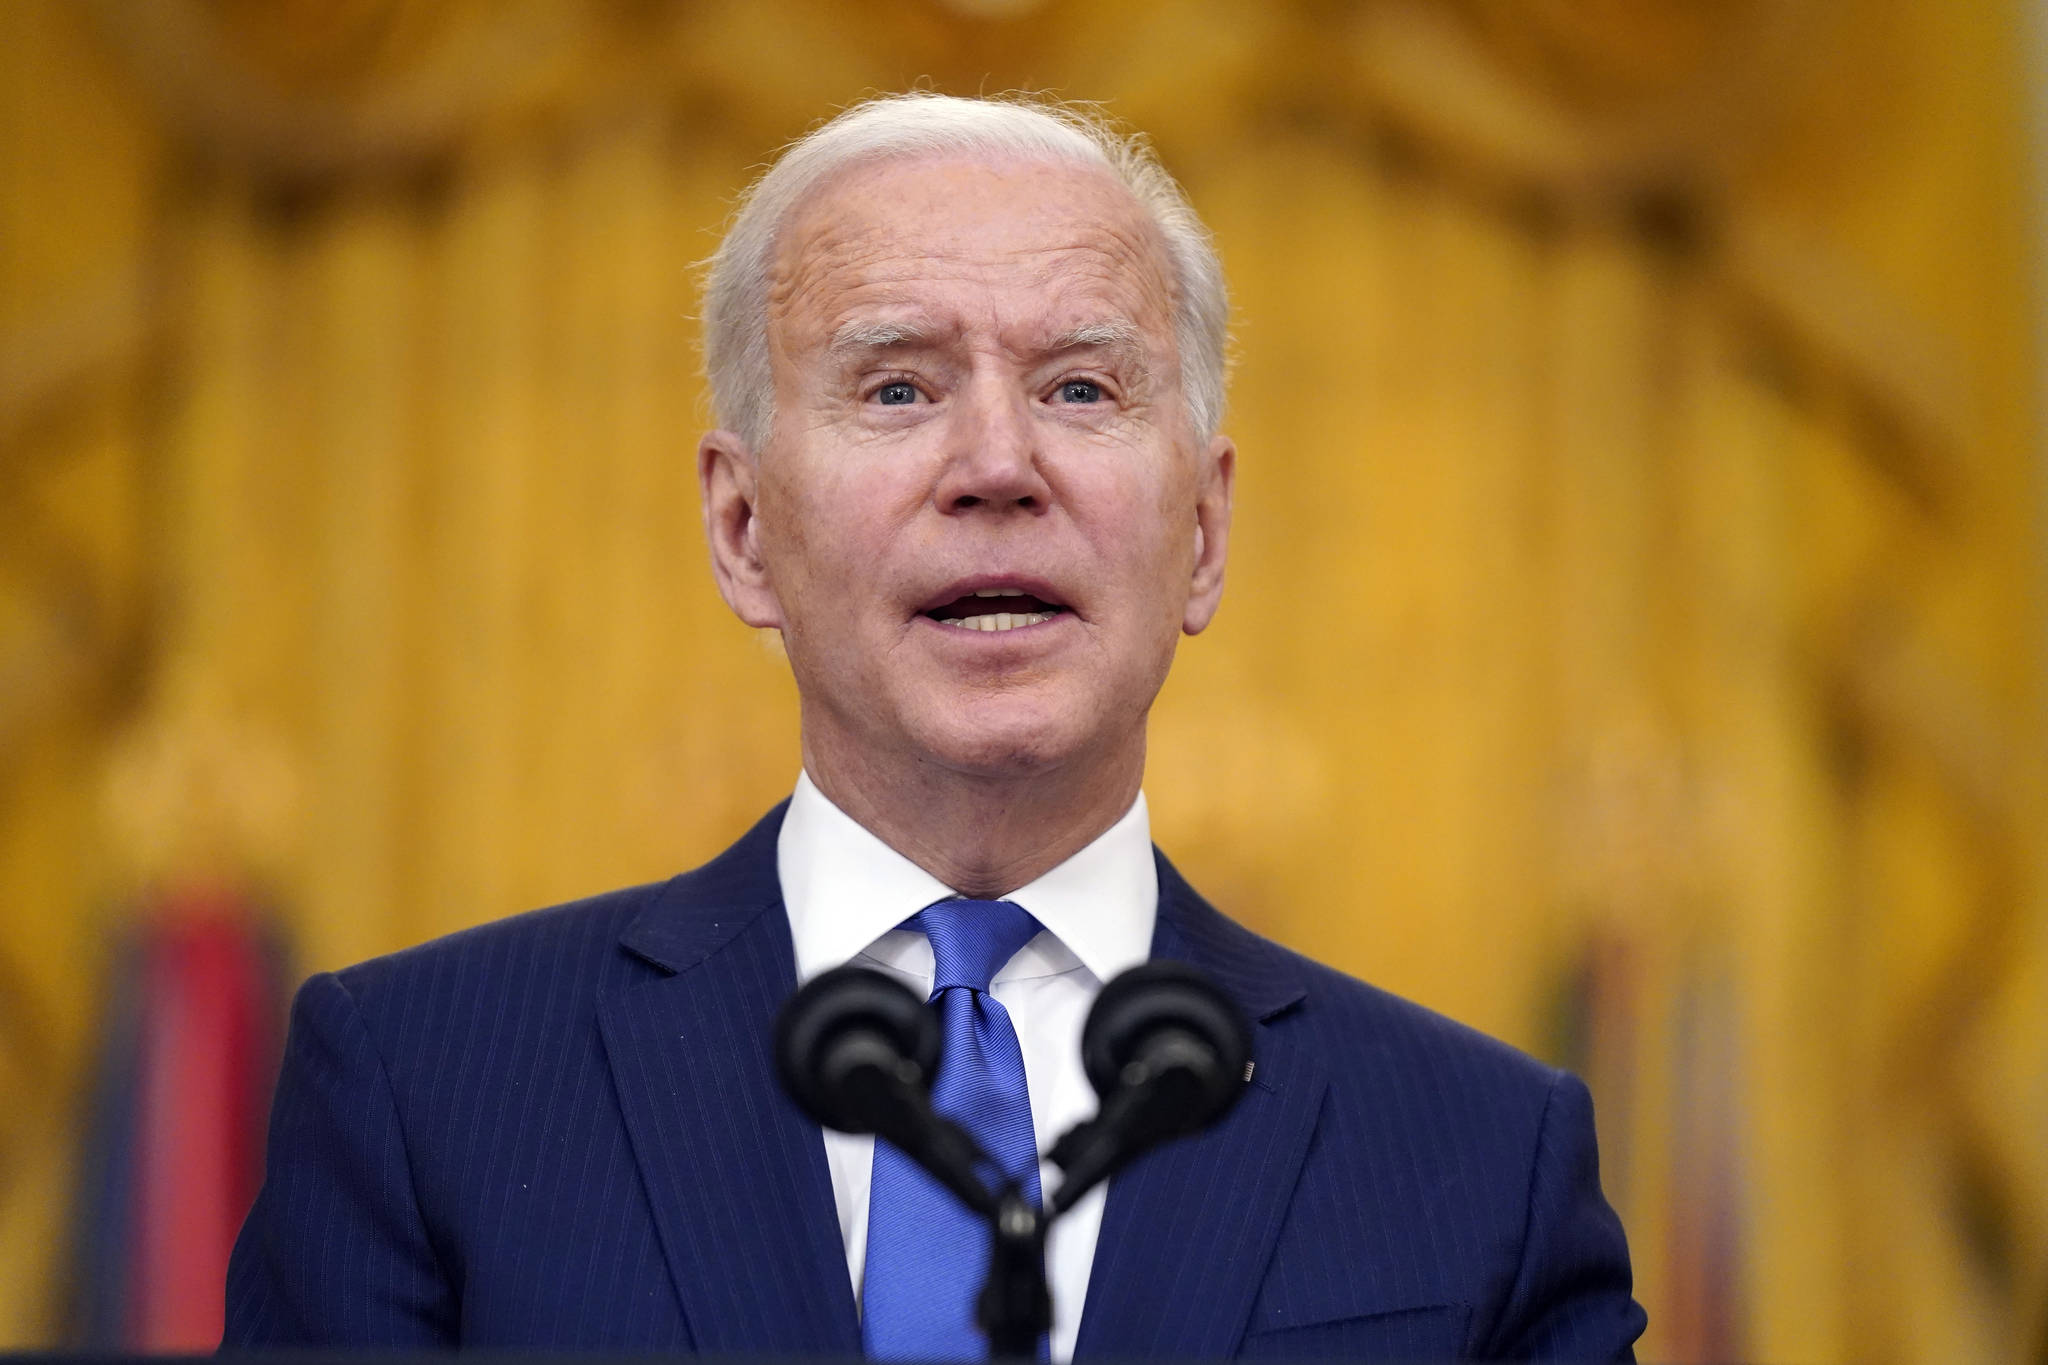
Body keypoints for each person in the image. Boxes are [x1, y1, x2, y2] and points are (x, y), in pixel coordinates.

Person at [223, 93, 1646, 1360]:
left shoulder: (1478, 1158)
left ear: (1204, 532)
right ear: (741, 529)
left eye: (1080, 387)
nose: (996, 463)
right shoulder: (427, 1092)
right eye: (898, 386)